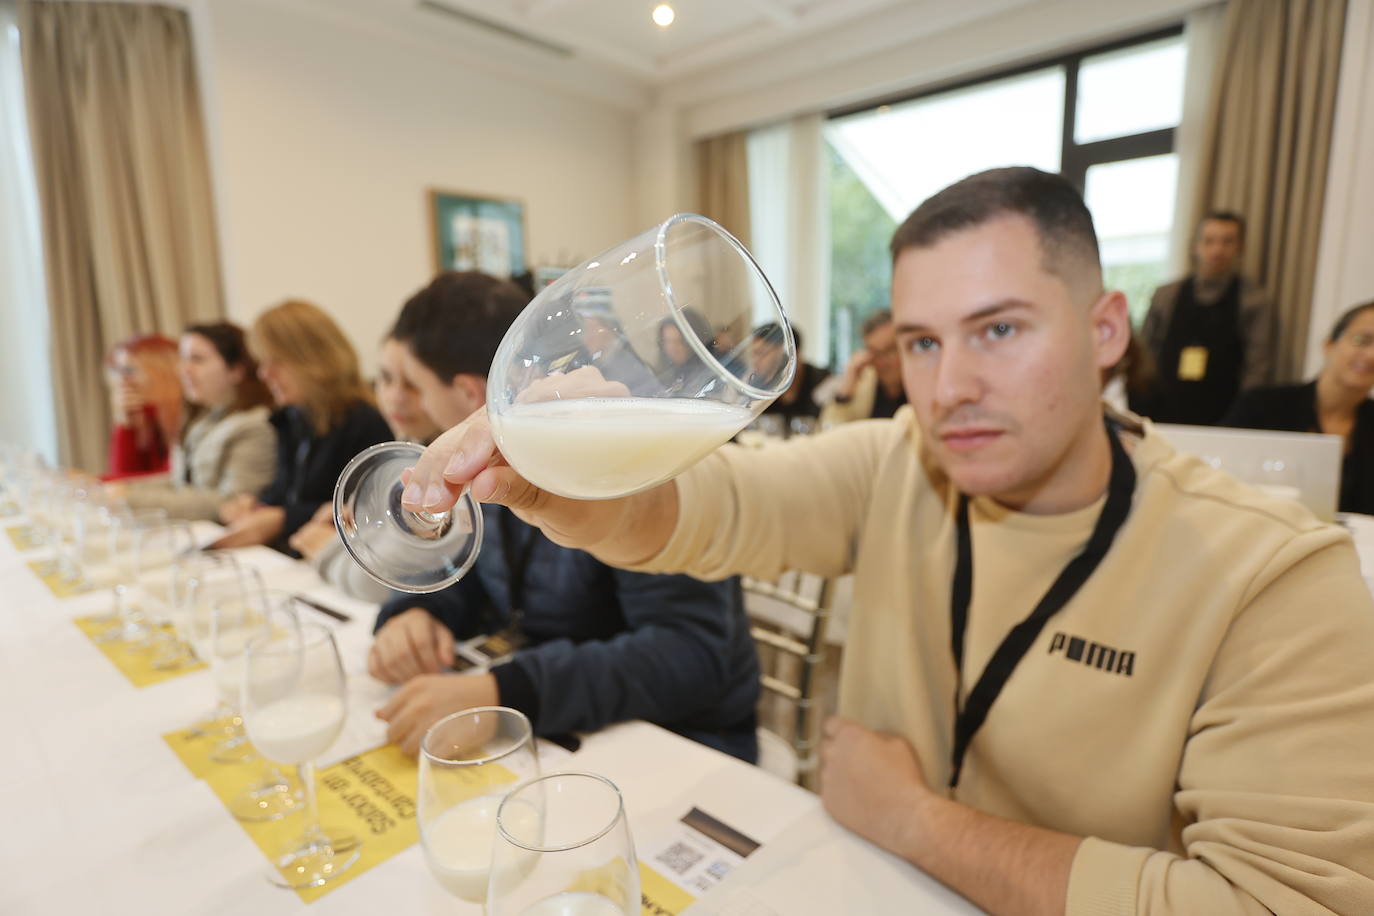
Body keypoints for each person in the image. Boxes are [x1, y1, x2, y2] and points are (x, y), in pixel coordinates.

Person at [401, 168, 1374, 914]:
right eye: (919, 342)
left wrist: (917, 819)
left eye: (997, 330)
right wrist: (559, 478)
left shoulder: (1276, 574)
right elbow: (701, 509)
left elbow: (1282, 902)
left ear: (1107, 328)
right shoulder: (898, 461)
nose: (948, 388)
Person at [367, 271, 761, 762]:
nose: (398, 401)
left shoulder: (622, 445)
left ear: (470, 393)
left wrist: (506, 693)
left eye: (413, 384)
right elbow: (475, 570)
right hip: (563, 731)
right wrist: (415, 613)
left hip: (677, 744)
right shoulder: (491, 452)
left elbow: (692, 656)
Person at [210, 300, 391, 554]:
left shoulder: (363, 421)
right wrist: (255, 504)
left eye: (275, 362)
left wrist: (284, 519)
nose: (264, 374)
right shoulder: (291, 419)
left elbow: (372, 513)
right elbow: (288, 494)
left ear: (314, 360)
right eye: (262, 362)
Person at [289, 334, 441, 600]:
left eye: (414, 383)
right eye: (385, 378)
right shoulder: (408, 445)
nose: (394, 397)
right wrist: (361, 522)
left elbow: (393, 579)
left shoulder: (447, 468)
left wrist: (331, 546)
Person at [110, 323, 277, 520]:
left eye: (196, 360)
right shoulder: (204, 420)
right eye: (183, 360)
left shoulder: (254, 425)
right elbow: (178, 482)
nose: (183, 370)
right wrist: (119, 490)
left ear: (236, 371)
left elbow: (233, 503)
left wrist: (129, 498)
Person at [1223, 300, 1374, 515]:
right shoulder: (1262, 406)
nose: (1371, 355)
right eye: (1362, 340)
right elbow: (1219, 478)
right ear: (1329, 345)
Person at [1138, 211, 1276, 425]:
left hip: (1224, 416)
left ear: (1240, 247)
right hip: (1162, 411)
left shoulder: (1253, 301)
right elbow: (1145, 353)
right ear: (1196, 245)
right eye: (1209, 241)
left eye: (1227, 242)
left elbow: (1257, 369)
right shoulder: (1166, 295)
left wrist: (1240, 419)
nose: (1217, 250)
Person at [103, 334, 182, 480]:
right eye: (117, 371)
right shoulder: (149, 417)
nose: (122, 381)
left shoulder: (189, 420)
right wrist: (126, 425)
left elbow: (172, 482)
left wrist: (95, 482)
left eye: (130, 371)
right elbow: (123, 477)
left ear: (165, 372)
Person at [820, 310, 906, 424]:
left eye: (890, 350)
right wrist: (847, 385)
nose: (882, 362)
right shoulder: (864, 384)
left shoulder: (923, 385)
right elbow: (829, 427)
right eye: (875, 353)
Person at [756, 323, 829, 421]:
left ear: (794, 354)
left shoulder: (823, 381)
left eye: (761, 353)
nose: (755, 361)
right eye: (753, 353)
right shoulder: (759, 385)